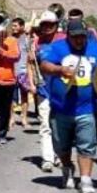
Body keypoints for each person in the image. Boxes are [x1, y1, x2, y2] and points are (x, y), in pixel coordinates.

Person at [39, 19, 97, 193]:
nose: (79, 40)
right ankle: (67, 167)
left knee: (86, 145)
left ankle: (86, 179)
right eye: (75, 37)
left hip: (86, 109)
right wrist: (59, 70)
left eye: (82, 36)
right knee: (61, 146)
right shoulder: (57, 48)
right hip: (61, 107)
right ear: (68, 36)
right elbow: (44, 65)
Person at [31, 11, 64, 171]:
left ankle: (61, 155)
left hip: (63, 90)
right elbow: (31, 63)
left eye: (50, 24)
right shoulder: (37, 42)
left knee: (61, 124)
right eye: (44, 24)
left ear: (56, 25)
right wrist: (31, 83)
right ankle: (47, 158)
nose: (47, 27)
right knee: (45, 123)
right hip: (44, 89)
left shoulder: (65, 40)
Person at [0, 24, 21, 144]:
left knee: (5, 109)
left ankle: (2, 133)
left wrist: (1, 51)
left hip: (8, 81)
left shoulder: (12, 40)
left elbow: (16, 56)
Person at [11, 17, 34, 128]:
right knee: (10, 97)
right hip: (11, 71)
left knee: (24, 96)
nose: (13, 28)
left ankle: (24, 118)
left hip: (23, 71)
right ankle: (11, 118)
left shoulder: (26, 39)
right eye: (12, 25)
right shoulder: (9, 39)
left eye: (15, 26)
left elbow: (30, 55)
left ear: (21, 26)